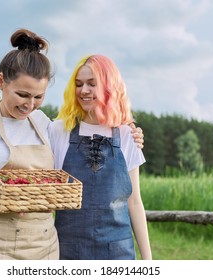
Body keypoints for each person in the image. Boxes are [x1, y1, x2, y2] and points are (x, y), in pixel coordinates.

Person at [0, 28, 145, 260]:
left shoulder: (43, 124)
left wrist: (130, 131)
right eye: (22, 94)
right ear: (1, 81)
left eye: (38, 97)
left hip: (42, 244)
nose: (29, 105)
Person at [49, 54, 152, 260]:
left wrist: (148, 260)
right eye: (78, 84)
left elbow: (134, 201)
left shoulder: (127, 135)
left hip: (117, 252)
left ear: (108, 87)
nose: (83, 90)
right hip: (68, 249)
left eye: (91, 84)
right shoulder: (58, 130)